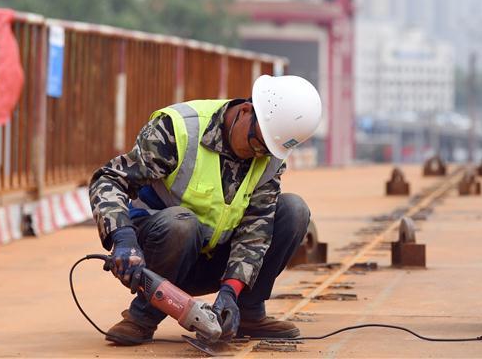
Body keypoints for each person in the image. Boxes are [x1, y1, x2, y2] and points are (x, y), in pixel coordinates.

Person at [88, 74, 323, 345]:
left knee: (294, 211)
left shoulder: (268, 158)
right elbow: (109, 179)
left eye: (268, 150)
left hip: (215, 259)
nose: (259, 155)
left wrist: (230, 291)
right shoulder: (178, 130)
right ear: (245, 111)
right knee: (182, 223)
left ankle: (247, 311)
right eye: (257, 143)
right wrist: (123, 239)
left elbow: (255, 231)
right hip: (157, 256)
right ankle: (143, 316)